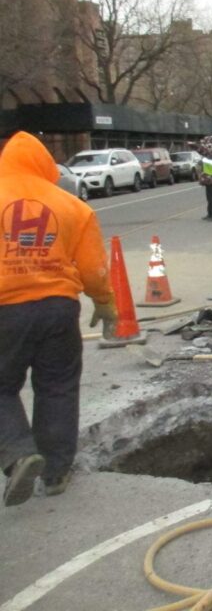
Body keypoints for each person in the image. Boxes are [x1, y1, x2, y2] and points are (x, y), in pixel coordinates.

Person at [0, 132, 117, 506]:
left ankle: (18, 452)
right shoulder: (72, 206)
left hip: (5, 309)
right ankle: (55, 473)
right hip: (58, 308)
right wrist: (105, 302)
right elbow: (94, 269)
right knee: (57, 385)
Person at [188, 135, 212, 221]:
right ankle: (210, 214)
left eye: (206, 143)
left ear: (211, 144)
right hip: (209, 178)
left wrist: (195, 146)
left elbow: (204, 151)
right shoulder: (211, 152)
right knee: (210, 197)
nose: (205, 145)